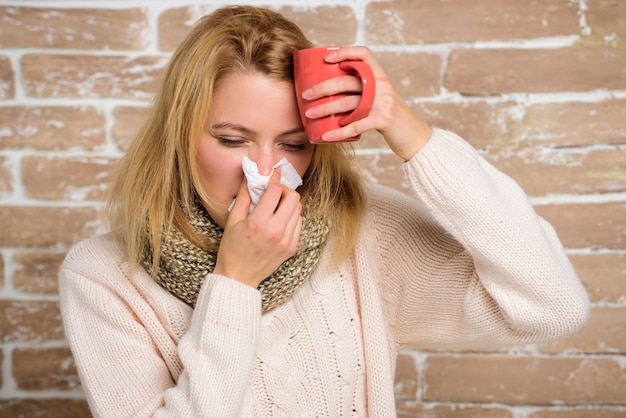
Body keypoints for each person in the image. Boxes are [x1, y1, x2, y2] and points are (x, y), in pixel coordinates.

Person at [59, 5, 590, 417]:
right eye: (231, 139)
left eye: (292, 145)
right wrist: (235, 283)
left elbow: (553, 305)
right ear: (178, 137)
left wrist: (409, 132)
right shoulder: (103, 276)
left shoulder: (363, 230)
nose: (264, 173)